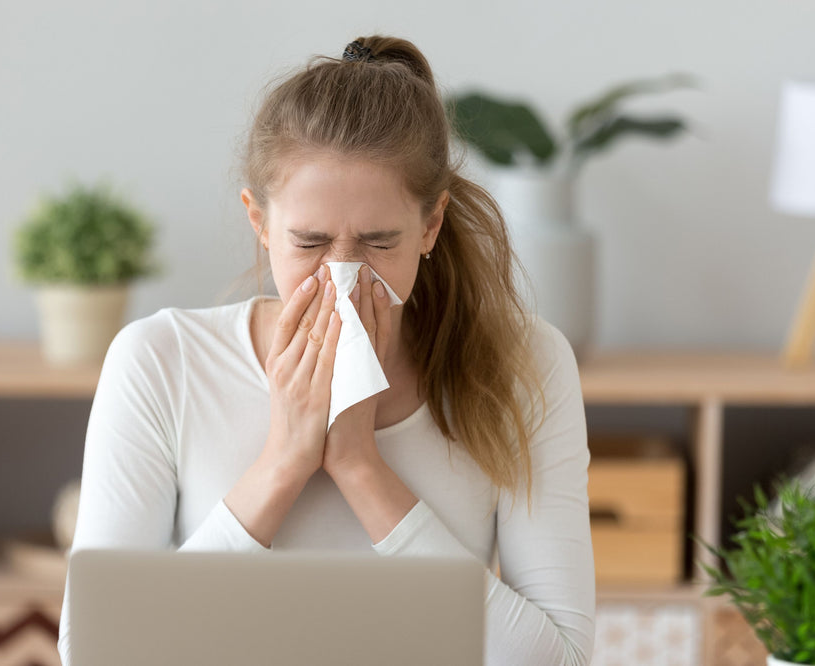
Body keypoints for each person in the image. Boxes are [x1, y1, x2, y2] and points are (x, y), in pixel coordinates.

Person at [57, 35, 595, 666]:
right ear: (259, 223)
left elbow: (562, 659)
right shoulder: (161, 362)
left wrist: (363, 468)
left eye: (378, 242)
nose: (342, 275)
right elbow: (100, 655)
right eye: (309, 243)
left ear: (431, 224)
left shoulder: (524, 363)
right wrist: (283, 462)